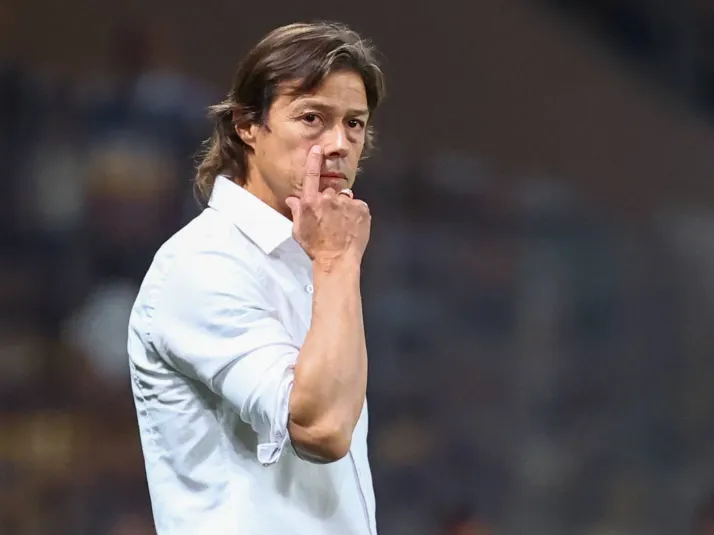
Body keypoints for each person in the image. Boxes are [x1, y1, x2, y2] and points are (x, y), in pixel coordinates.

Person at [127, 21, 386, 535]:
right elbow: (322, 429)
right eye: (312, 118)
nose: (339, 143)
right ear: (247, 124)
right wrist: (337, 262)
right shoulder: (204, 263)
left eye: (354, 123)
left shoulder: (313, 257)